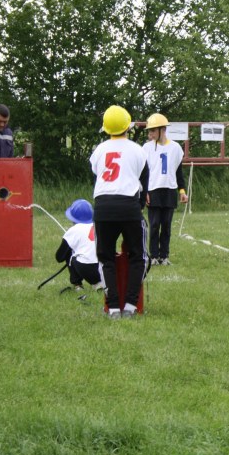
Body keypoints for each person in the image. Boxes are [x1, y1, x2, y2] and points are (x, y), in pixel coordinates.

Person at [90, 105, 149, 319]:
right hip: (128, 205)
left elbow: (98, 176)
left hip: (103, 206)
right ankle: (131, 306)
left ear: (106, 129)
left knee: (105, 258)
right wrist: (139, 206)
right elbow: (144, 181)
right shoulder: (137, 149)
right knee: (138, 256)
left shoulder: (99, 150)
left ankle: (113, 307)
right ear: (128, 126)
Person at [142, 113, 188, 266]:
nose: (149, 134)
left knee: (166, 225)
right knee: (154, 225)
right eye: (149, 131)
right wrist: (145, 192)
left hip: (169, 191)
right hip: (153, 191)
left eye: (152, 131)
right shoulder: (146, 148)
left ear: (162, 130)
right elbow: (143, 173)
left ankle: (164, 256)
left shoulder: (175, 148)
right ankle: (153, 256)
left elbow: (178, 172)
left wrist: (182, 191)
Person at [55, 199, 101, 292]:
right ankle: (99, 284)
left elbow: (59, 257)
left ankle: (78, 285)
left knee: (70, 254)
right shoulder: (99, 226)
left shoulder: (73, 230)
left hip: (86, 268)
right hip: (105, 268)